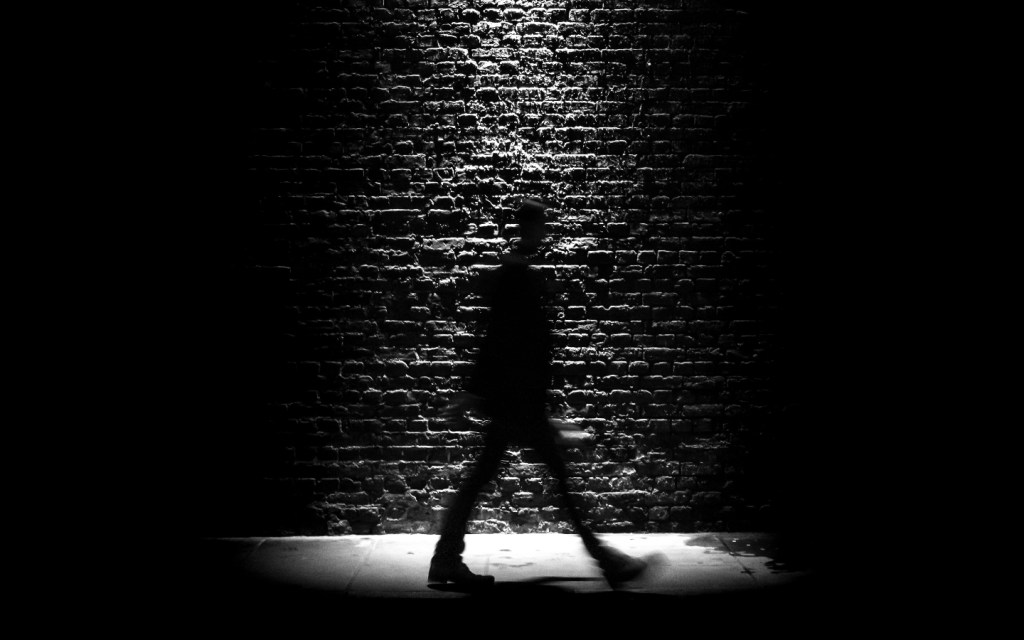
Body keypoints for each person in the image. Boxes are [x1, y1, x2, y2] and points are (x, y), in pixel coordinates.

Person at [428, 197, 649, 589]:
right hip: (518, 403)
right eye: (541, 225)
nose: (544, 232)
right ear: (530, 227)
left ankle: (446, 559)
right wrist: (480, 394)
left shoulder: (519, 272)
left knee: (490, 479)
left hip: (517, 403)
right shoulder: (516, 276)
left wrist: (483, 393)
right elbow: (500, 341)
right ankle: (606, 561)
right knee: (553, 480)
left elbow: (504, 342)